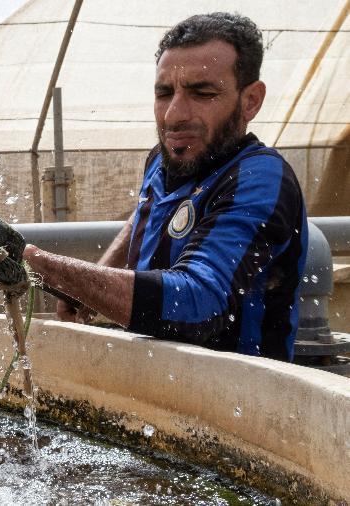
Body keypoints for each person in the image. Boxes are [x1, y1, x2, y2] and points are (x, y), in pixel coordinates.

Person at [23, 12, 308, 361]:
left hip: (242, 401)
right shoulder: (164, 158)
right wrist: (99, 278)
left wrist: (48, 268)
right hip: (158, 383)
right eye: (164, 92)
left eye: (202, 93)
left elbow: (198, 303)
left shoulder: (259, 179)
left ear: (250, 100)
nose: (173, 115)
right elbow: (146, 214)